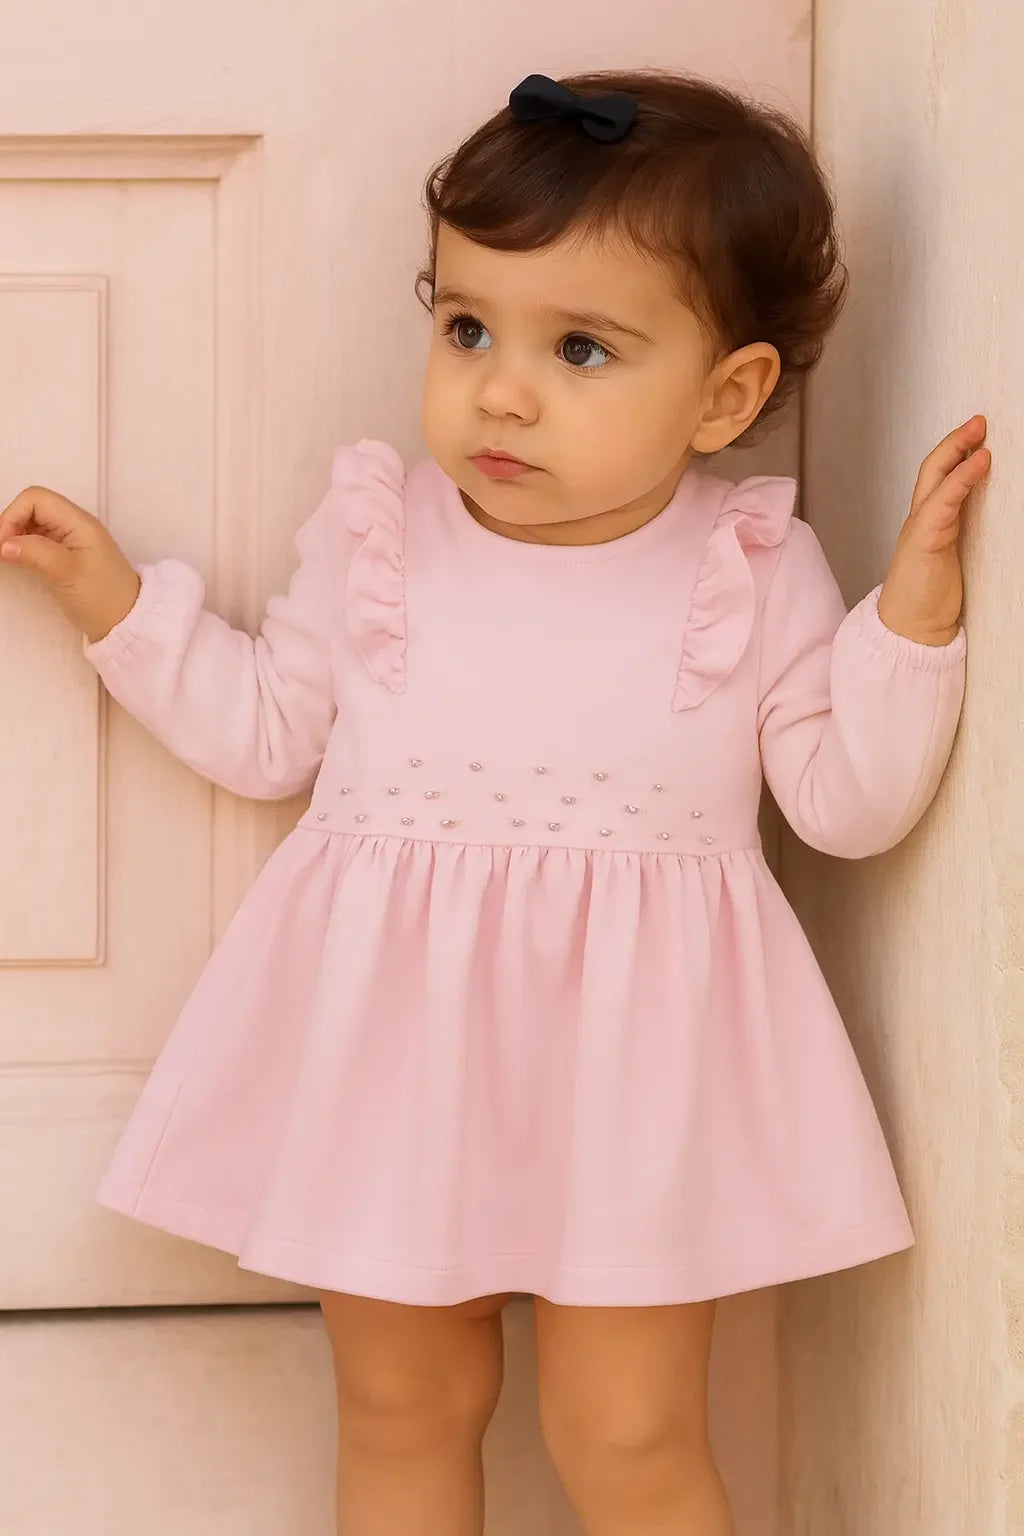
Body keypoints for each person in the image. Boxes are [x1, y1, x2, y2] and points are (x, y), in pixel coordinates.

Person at [0, 68, 990, 1536]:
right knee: (403, 1405)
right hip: (389, 1052)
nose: (501, 391)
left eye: (580, 347)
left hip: (645, 1076)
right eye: (466, 327)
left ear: (730, 394)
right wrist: (117, 605)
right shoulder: (381, 534)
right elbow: (273, 732)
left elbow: (844, 804)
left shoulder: (752, 564)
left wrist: (909, 621)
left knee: (633, 1432)